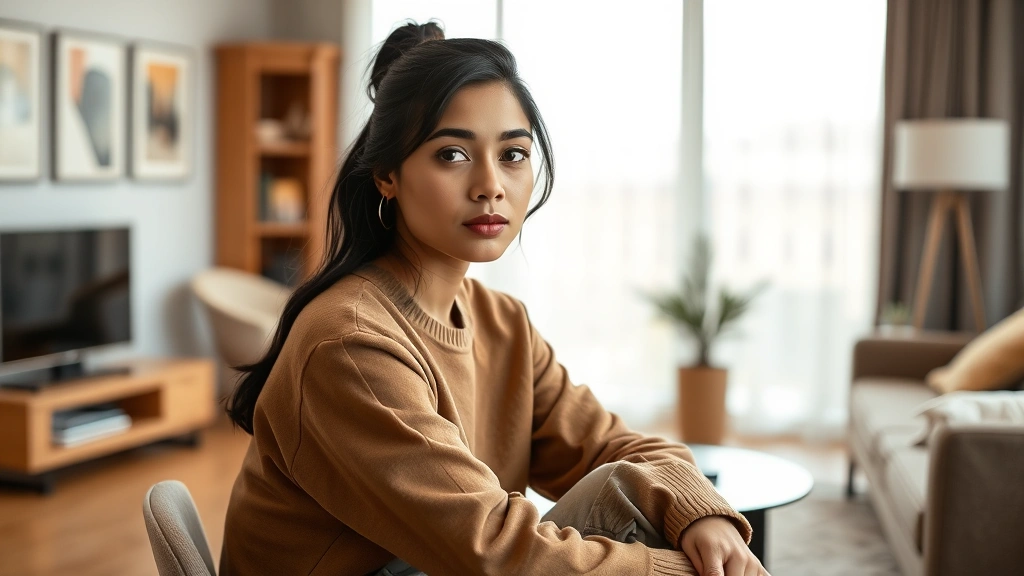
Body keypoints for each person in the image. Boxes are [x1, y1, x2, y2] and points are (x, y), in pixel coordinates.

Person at [220, 21, 768, 576]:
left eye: (512, 154)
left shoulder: (501, 321)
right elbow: (494, 552)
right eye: (452, 155)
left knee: (632, 489)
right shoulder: (350, 343)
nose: (490, 185)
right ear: (387, 175)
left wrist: (703, 515)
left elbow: (616, 447)